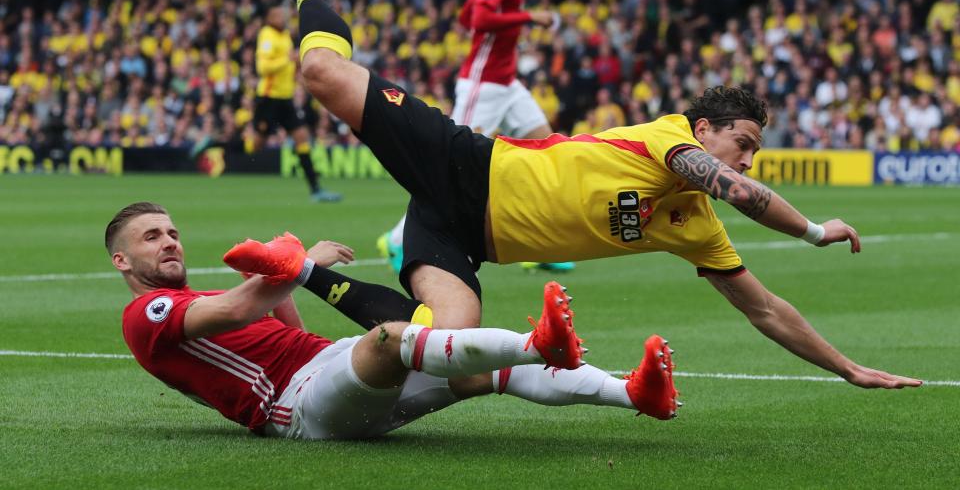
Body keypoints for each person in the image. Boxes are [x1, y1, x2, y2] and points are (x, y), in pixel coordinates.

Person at [243, 0, 923, 401]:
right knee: (324, 76)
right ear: (705, 129)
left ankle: (302, 273)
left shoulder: (696, 226)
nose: (746, 160)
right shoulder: (668, 142)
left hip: (458, 234)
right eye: (741, 143)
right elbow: (735, 189)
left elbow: (766, 309)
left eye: (752, 150)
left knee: (444, 350)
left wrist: (847, 366)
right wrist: (813, 230)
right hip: (469, 165)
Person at [108, 202, 679, 440]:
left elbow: (279, 325)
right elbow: (237, 308)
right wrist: (293, 265)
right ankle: (539, 344)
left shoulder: (190, 298)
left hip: (320, 370)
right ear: (122, 260)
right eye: (151, 237)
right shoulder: (147, 314)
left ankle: (634, 394)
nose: (169, 243)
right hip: (293, 407)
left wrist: (284, 274)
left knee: (480, 374)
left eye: (172, 233)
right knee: (391, 339)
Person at [377, 0, 572, 274]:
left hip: (507, 83)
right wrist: (530, 17)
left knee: (548, 150)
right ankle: (397, 238)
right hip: (483, 86)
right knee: (448, 162)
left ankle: (541, 242)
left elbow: (469, 16)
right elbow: (480, 20)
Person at [250, 3, 341, 202]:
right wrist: (288, 59)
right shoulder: (267, 35)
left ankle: (316, 189)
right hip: (268, 97)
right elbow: (263, 68)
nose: (281, 17)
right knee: (255, 145)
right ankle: (218, 145)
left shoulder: (284, 35)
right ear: (268, 18)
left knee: (302, 136)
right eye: (276, 14)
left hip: (286, 98)